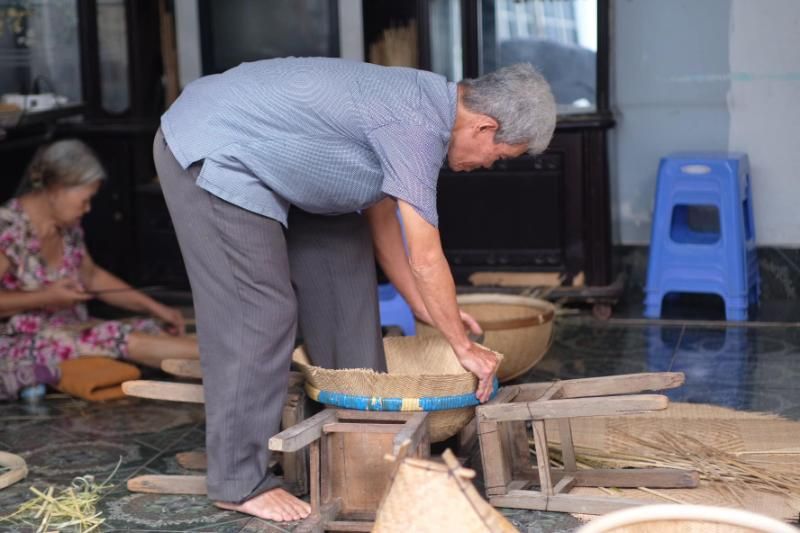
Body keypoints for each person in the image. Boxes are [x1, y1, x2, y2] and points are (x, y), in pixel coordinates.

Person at [154, 57, 556, 522]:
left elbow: (382, 217)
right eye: (497, 157)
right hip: (213, 146)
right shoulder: (417, 124)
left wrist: (421, 304)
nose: (487, 165)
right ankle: (238, 480)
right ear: (485, 127)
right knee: (260, 310)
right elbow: (427, 256)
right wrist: (462, 346)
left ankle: (359, 442)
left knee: (346, 271)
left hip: (281, 162)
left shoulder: (430, 108)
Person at [0, 139, 198, 401]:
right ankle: (230, 360)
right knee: (118, 337)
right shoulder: (8, 228)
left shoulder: (65, 225)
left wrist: (156, 307)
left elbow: (92, 276)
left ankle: (218, 366)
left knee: (149, 327)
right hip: (20, 343)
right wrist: (48, 297)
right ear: (57, 189)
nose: (88, 208)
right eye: (85, 199)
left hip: (70, 329)